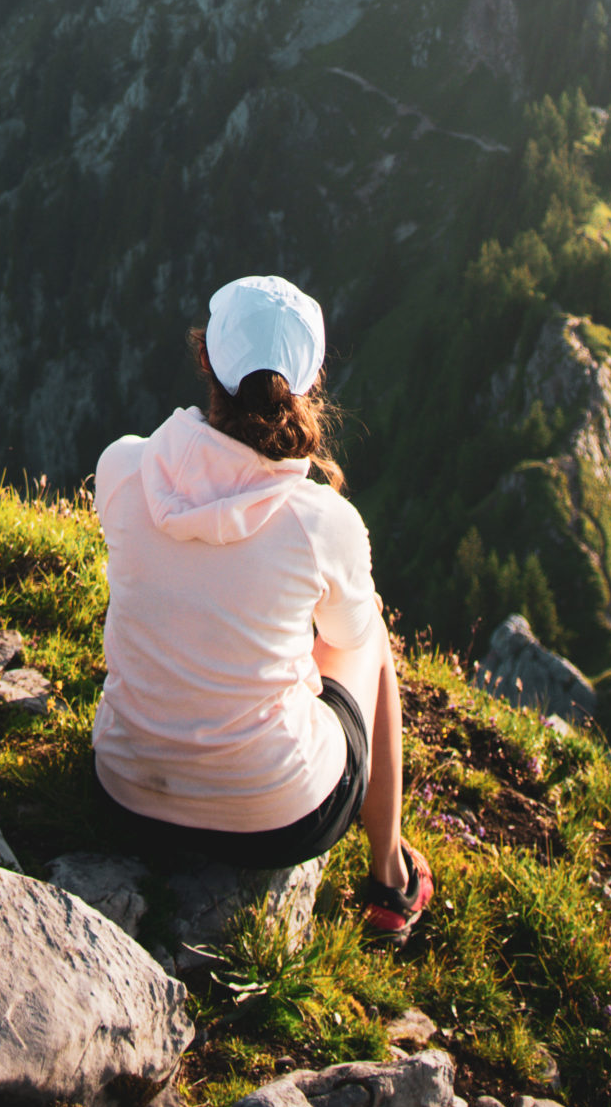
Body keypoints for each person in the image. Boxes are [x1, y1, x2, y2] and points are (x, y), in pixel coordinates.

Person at [90, 275, 434, 939]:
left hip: (123, 792)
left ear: (203, 359)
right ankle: (391, 878)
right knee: (368, 641)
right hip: (275, 819)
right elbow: (344, 637)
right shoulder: (320, 519)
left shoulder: (124, 468)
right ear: (309, 383)